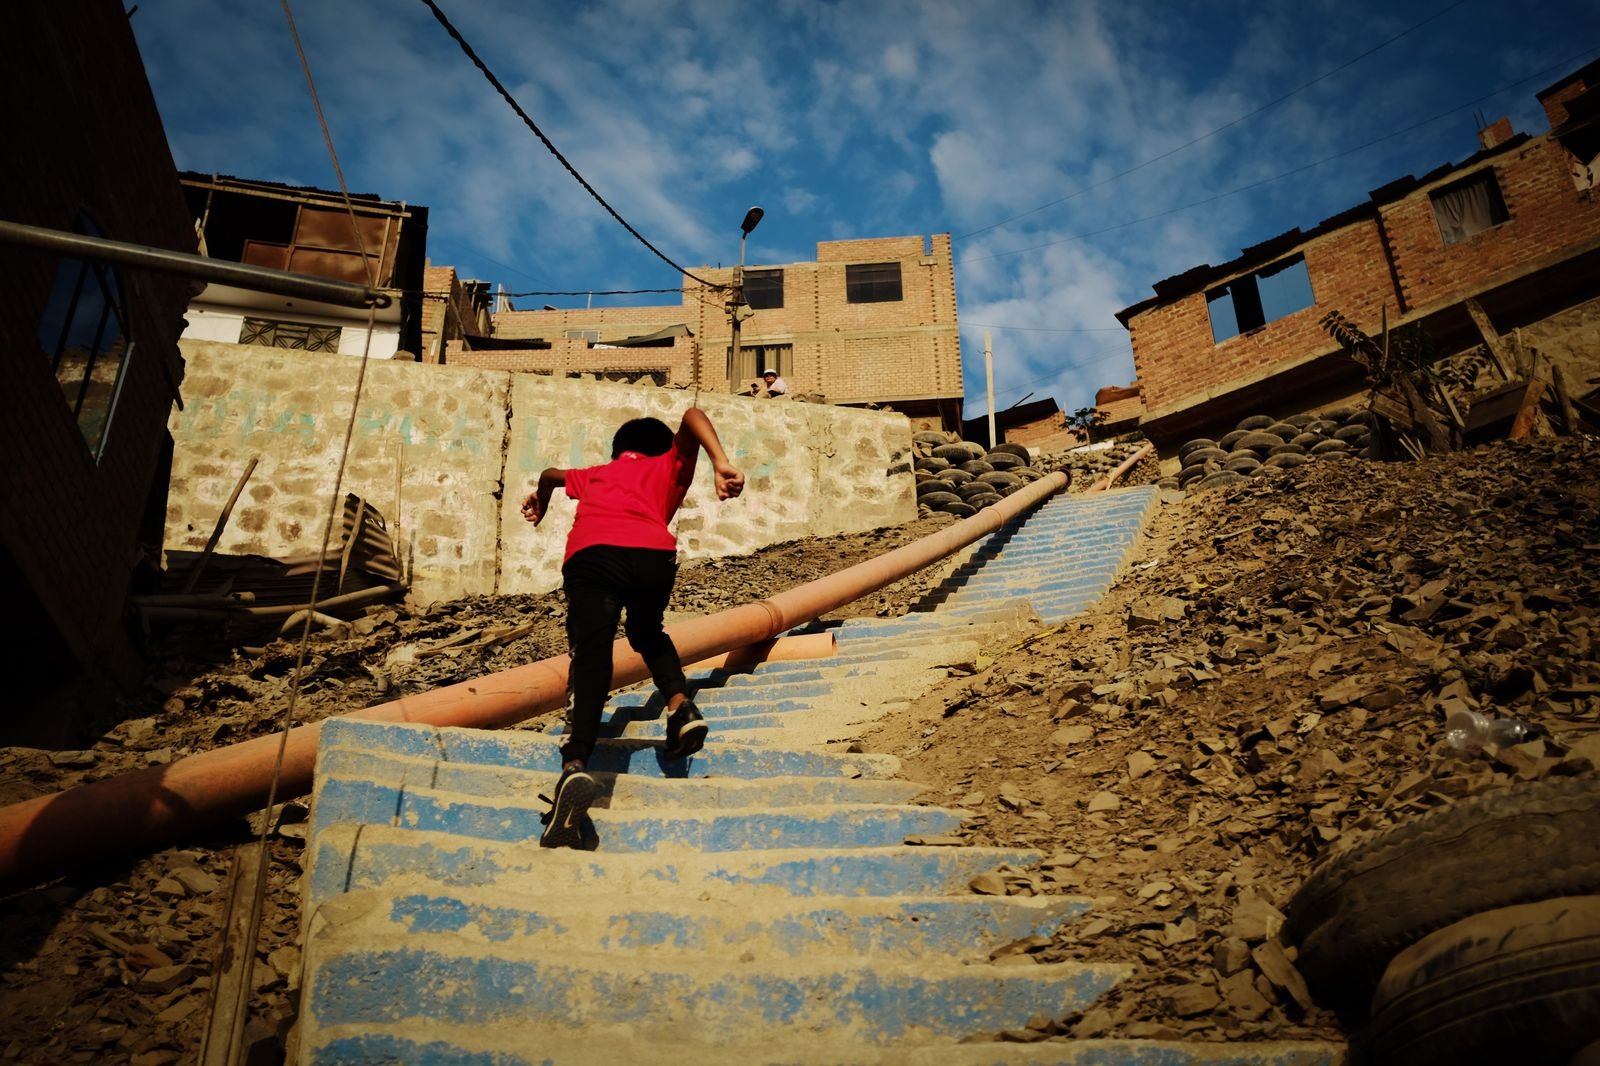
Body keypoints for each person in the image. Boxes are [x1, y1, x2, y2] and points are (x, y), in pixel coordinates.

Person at [521, 407, 745, 848]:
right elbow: (694, 414)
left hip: (594, 556)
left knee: (592, 651)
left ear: (618, 450)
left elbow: (550, 473)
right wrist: (720, 461)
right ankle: (680, 706)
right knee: (646, 632)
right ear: (662, 448)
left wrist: (541, 498)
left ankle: (575, 764)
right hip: (651, 557)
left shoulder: (597, 473)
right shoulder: (669, 463)